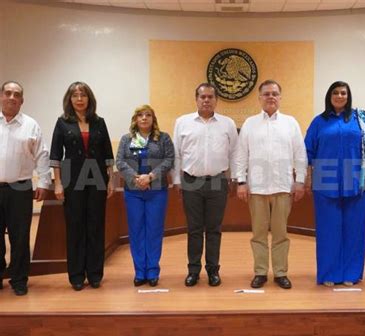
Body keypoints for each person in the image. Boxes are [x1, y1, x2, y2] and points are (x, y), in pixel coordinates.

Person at [305, 81, 365, 287]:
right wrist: (308, 177)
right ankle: (329, 273)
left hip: (355, 180)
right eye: (336, 93)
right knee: (328, 230)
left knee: (354, 229)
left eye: (343, 93)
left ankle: (351, 273)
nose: (340, 96)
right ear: (329, 96)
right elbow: (308, 151)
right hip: (325, 181)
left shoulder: (361, 120)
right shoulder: (319, 122)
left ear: (348, 96)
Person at [236, 79, 307, 289]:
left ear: (280, 97)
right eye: (266, 94)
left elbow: (300, 155)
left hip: (283, 187)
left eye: (274, 93)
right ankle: (260, 272)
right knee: (258, 234)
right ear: (259, 98)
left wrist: (300, 181)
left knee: (280, 234)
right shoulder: (250, 123)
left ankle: (280, 272)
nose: (270, 97)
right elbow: (241, 155)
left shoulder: (290, 123)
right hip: (256, 188)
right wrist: (241, 181)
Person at [50, 81, 114, 291]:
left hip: (96, 177)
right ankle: (76, 275)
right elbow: (56, 156)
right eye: (75, 95)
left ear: (89, 99)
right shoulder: (62, 123)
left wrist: (111, 180)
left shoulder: (99, 122)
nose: (79, 99)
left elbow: (107, 155)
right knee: (75, 226)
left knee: (96, 225)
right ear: (69, 99)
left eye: (83, 95)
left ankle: (95, 274)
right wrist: (58, 183)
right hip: (72, 177)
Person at [173, 83, 238, 287]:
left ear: (216, 100)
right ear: (196, 99)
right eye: (203, 97)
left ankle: (213, 270)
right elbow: (176, 154)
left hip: (218, 181)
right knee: (193, 229)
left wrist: (235, 178)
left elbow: (235, 153)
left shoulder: (227, 124)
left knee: (214, 229)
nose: (207, 100)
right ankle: (193, 270)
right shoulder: (183, 122)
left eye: (210, 97)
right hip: (190, 181)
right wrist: (176, 180)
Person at [0, 81, 51, 296]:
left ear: (22, 100)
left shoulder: (31, 125)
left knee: (20, 236)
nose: (12, 97)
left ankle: (19, 279)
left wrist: (43, 183)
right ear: (1, 96)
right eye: (8, 93)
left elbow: (42, 154)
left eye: (16, 94)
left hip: (21, 188)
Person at [116, 105, 174, 287]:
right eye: (140, 115)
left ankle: (152, 270)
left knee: (154, 230)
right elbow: (119, 161)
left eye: (148, 115)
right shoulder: (127, 140)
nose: (144, 118)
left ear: (153, 119)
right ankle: (140, 271)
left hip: (157, 190)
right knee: (137, 230)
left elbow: (169, 160)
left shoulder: (163, 138)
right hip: (133, 191)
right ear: (135, 119)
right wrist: (136, 178)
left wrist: (150, 177)